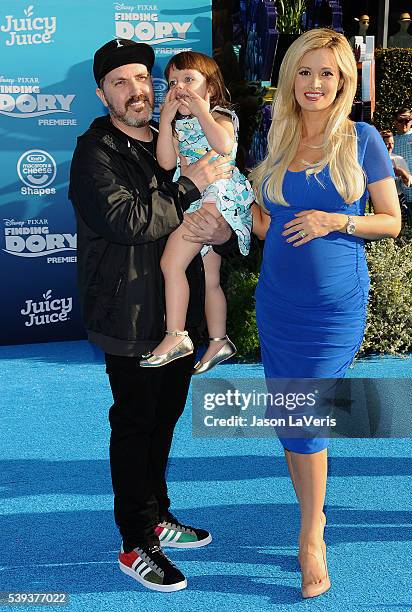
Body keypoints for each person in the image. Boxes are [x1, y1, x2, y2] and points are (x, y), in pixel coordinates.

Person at [69, 38, 236, 592]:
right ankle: (135, 540)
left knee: (164, 419)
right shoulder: (95, 152)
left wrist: (225, 232)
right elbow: (130, 221)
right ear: (102, 94)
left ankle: (158, 515)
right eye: (120, 82)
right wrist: (193, 184)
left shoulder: (176, 134)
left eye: (142, 77)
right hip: (127, 314)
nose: (136, 90)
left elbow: (217, 212)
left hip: (176, 317)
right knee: (136, 424)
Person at [250, 28, 401, 599]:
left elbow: (391, 220)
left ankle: (311, 534)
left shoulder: (363, 140)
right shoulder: (280, 138)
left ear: (344, 81)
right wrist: (240, 218)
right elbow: (266, 225)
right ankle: (312, 515)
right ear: (291, 76)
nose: (315, 84)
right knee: (291, 417)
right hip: (277, 301)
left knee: (305, 415)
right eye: (305, 72)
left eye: (327, 74)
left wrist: (334, 220)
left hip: (333, 306)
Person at [140, 51, 254, 373]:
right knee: (210, 280)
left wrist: (202, 111)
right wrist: (164, 121)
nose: (180, 88)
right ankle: (219, 340)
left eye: (189, 80)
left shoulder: (219, 117)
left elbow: (223, 146)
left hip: (214, 203)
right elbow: (165, 162)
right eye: (173, 82)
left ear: (211, 89)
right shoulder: (177, 126)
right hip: (195, 202)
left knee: (170, 264)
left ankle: (176, 335)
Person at [380, 129, 412, 221]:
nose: (390, 146)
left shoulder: (398, 159)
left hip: (396, 198)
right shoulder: (372, 160)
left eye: (392, 143)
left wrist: (403, 173)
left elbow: (410, 180)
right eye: (387, 143)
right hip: (378, 199)